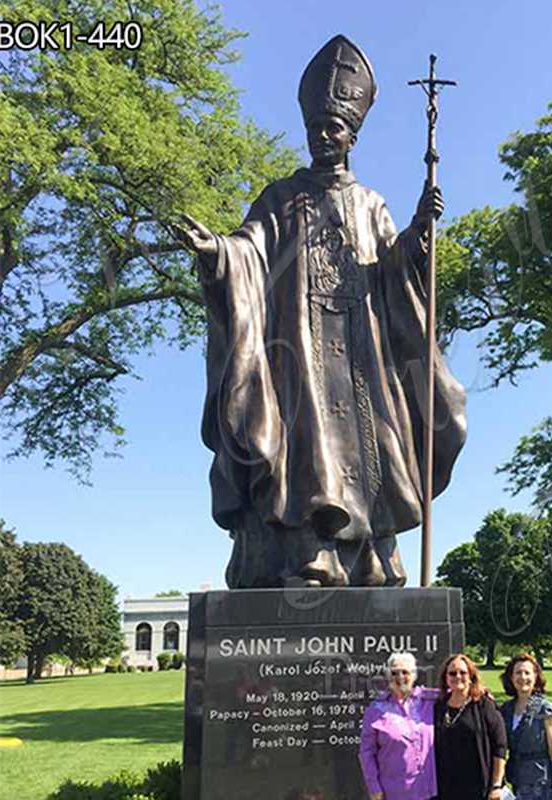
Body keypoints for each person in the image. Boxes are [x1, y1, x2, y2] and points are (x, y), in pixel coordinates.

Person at [177, 34, 466, 589]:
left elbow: (392, 269)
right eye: (316, 129)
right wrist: (217, 251)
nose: (323, 137)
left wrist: (417, 234)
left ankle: (376, 558)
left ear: (351, 135)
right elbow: (250, 250)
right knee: (305, 451)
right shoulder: (279, 197)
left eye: (333, 128)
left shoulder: (369, 202)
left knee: (379, 446)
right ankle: (312, 555)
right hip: (299, 356)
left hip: (363, 353)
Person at [358, 652, 439, 800]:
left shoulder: (430, 700)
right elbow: (366, 752)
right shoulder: (375, 709)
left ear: (414, 675)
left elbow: (458, 694)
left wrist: (481, 693)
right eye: (394, 672)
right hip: (395, 792)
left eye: (405, 672)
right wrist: (374, 787)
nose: (400, 677)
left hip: (429, 790)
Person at [434, 653, 506, 800]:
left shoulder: (484, 704)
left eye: (463, 672)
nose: (457, 676)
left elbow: (500, 747)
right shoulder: (438, 706)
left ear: (471, 676)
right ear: (445, 678)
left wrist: (496, 785)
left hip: (479, 787)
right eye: (452, 673)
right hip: (446, 788)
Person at [499, 653, 552, 800]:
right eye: (518, 673)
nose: (523, 677)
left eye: (527, 673)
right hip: (516, 781)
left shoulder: (545, 709)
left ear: (535, 677)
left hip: (540, 784)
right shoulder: (506, 710)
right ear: (511, 678)